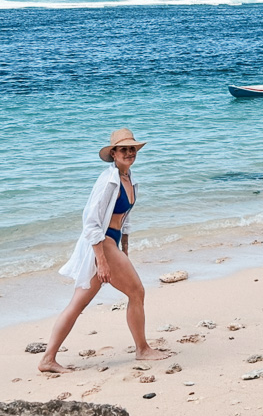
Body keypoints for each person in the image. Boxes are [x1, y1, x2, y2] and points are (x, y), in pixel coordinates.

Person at [38, 128, 170, 373]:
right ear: (114, 154)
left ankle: (48, 359)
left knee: (78, 303)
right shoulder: (108, 181)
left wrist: (125, 252)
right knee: (137, 292)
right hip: (103, 244)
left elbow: (125, 219)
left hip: (113, 244)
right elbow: (90, 221)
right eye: (124, 149)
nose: (129, 153)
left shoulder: (130, 179)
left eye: (132, 149)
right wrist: (103, 259)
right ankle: (142, 350)